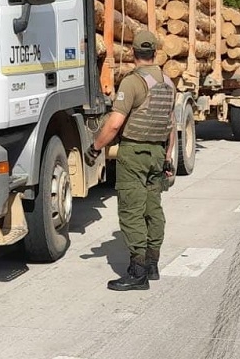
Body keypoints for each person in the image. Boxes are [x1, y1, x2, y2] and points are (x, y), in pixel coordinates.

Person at [84, 30, 176, 291]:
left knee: (131, 211)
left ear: (133, 52)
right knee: (153, 209)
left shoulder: (133, 82)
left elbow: (114, 125)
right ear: (156, 53)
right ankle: (152, 264)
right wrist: (167, 157)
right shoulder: (168, 83)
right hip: (158, 154)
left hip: (134, 154)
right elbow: (171, 125)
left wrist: (95, 147)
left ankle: (137, 272)